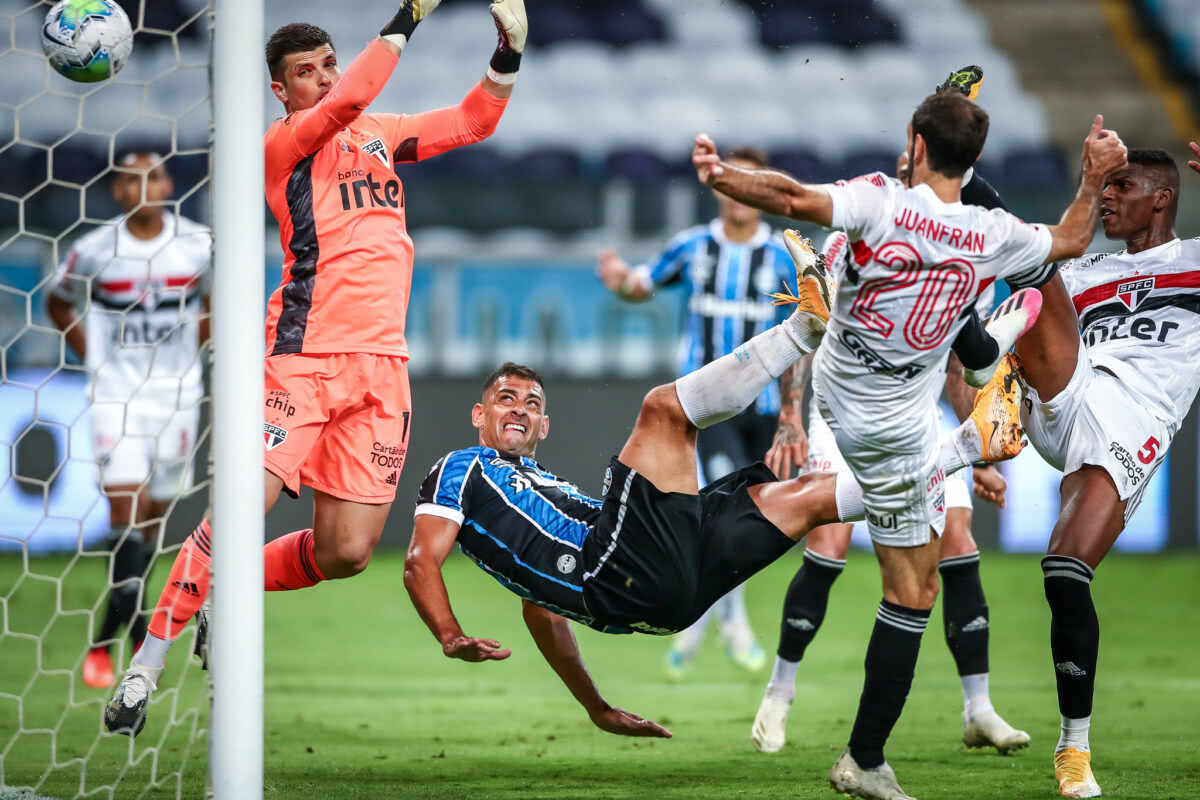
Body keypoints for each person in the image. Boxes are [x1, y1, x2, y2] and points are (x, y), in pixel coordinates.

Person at [105, 0, 528, 735]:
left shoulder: (381, 138)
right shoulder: (285, 144)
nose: (326, 78)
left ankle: (222, 593)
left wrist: (508, 53)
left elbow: (473, 121)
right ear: (282, 90)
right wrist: (409, 15)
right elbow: (357, 95)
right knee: (240, 512)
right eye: (308, 72)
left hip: (382, 369)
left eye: (330, 63)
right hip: (303, 358)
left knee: (346, 553)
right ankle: (147, 662)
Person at [689, 92, 1127, 799]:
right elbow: (1073, 239)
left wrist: (720, 175)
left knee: (952, 417)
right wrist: (1094, 173)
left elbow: (792, 197)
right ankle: (863, 760)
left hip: (849, 393)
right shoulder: (992, 231)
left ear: (915, 145)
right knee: (913, 588)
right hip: (889, 427)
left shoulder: (878, 200)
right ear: (974, 160)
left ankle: (972, 413)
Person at [403, 250, 1024, 739]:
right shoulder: (461, 469)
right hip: (615, 570)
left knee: (808, 496)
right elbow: (419, 561)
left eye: (532, 403)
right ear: (479, 411)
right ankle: (802, 327)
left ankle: (967, 447)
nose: (518, 408)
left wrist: (597, 707)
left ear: (544, 427)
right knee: (663, 411)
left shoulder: (545, 489)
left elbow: (540, 609)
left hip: (666, 596)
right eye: (505, 398)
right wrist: (448, 632)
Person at [751, 149, 1027, 757]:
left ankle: (979, 708)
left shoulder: (954, 253)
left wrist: (976, 455)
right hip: (841, 409)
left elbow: (962, 360)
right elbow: (809, 321)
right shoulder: (853, 235)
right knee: (828, 543)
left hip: (916, 416)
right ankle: (780, 690)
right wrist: (791, 417)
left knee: (958, 544)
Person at [989, 145, 1200, 798]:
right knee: (1034, 259)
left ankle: (1072, 748)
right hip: (1067, 393)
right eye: (1103, 187)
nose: (1108, 197)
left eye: (1122, 186)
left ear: (1162, 197)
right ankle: (954, 175)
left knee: (1065, 573)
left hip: (1130, 421)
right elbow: (1043, 269)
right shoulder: (1087, 271)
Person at [597, 145, 799, 678]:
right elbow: (642, 284)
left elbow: (807, 333)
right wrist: (617, 277)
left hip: (765, 406)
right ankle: (728, 623)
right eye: (735, 181)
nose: (741, 193)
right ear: (721, 187)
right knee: (716, 490)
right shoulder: (692, 247)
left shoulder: (782, 257)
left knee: (744, 512)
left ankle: (703, 621)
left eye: (753, 181)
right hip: (704, 409)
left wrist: (794, 413)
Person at [46, 152, 210, 690]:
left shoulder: (199, 244)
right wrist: (94, 356)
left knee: (150, 526)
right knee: (126, 508)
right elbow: (57, 302)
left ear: (168, 184)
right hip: (117, 395)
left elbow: (221, 301)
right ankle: (133, 637)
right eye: (131, 178)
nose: (144, 185)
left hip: (178, 395)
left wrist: (191, 346)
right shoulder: (93, 250)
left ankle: (108, 636)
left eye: (154, 175)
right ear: (117, 191)